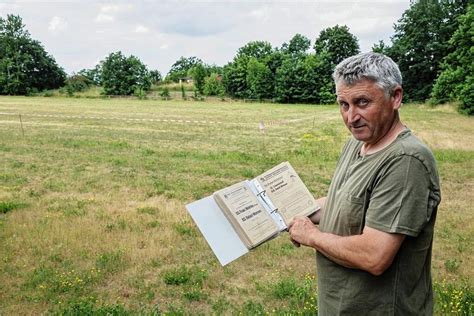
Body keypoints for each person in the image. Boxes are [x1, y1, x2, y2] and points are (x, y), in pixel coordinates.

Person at [288, 52, 441, 315]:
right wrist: (299, 209)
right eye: (343, 104)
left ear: (395, 97)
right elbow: (345, 205)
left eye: (362, 102)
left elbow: (374, 256)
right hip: (342, 305)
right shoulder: (357, 143)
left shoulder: (405, 160)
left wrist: (311, 236)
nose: (351, 117)